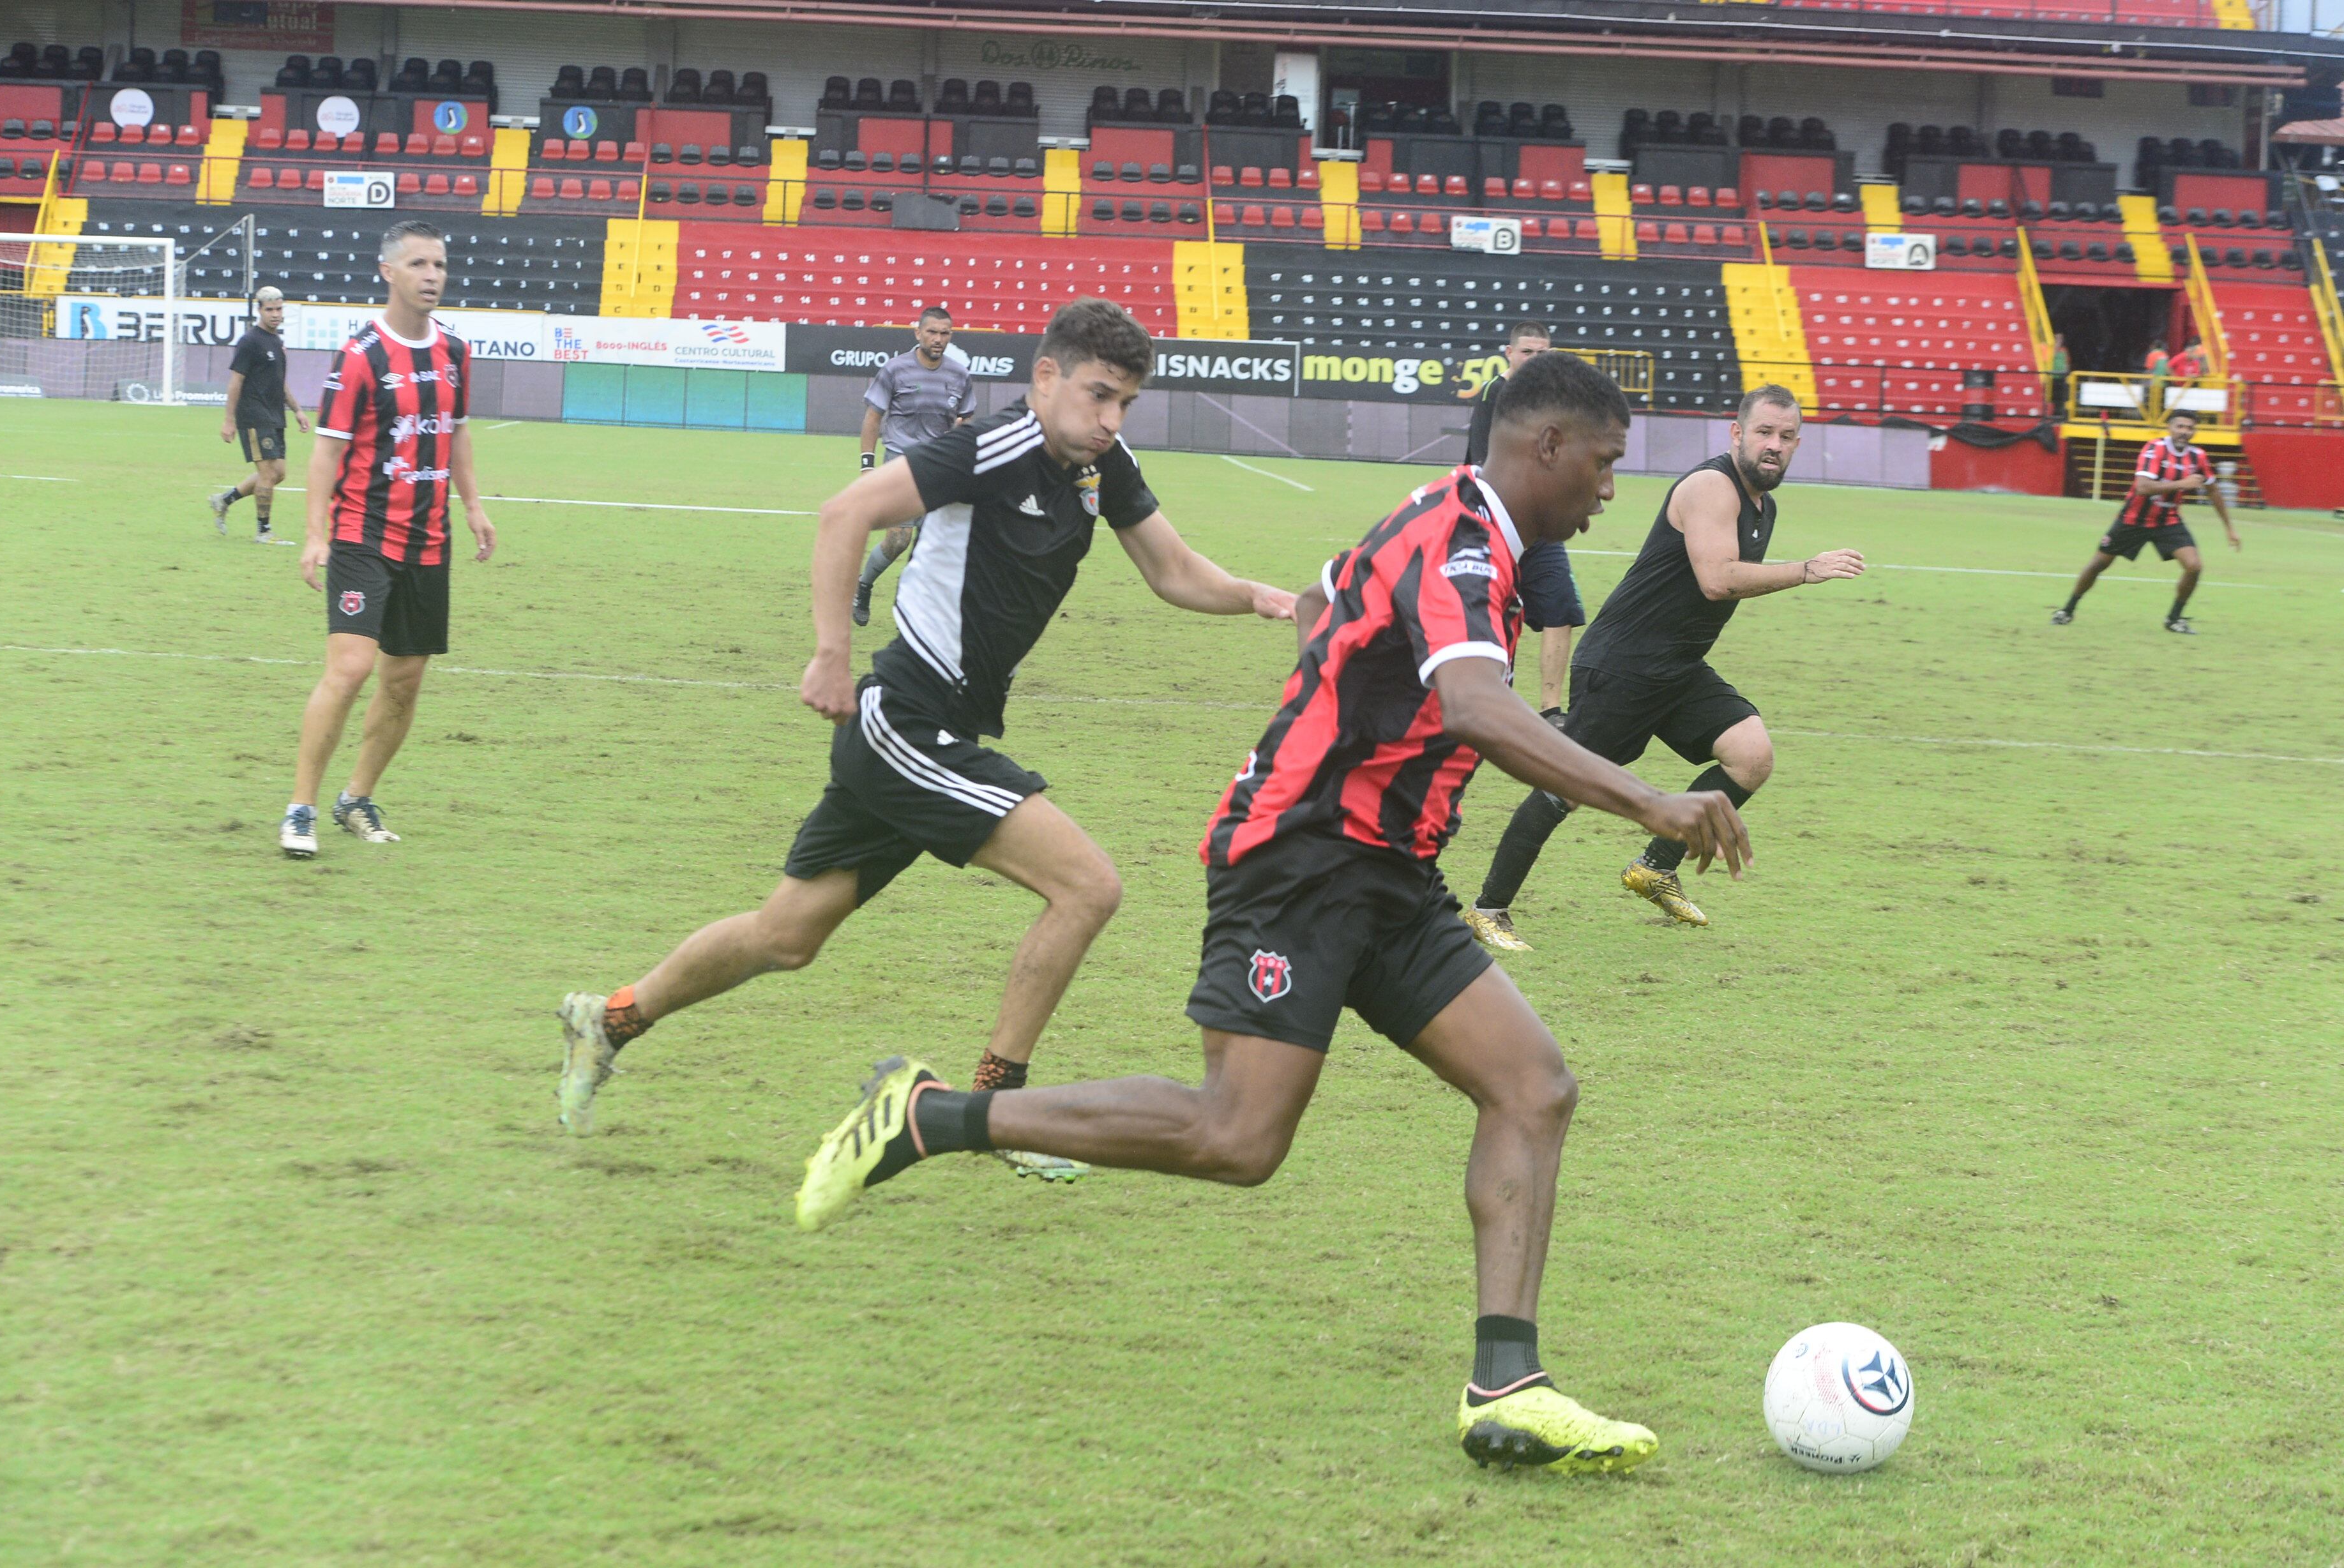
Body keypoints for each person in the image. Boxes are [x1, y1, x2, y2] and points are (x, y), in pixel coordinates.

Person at [789, 351, 1751, 1474]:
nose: (1610, 489)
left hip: (1387, 871)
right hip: (1301, 864)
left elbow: (1326, 604)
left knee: (1534, 1089)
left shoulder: (1452, 523)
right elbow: (1474, 705)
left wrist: (1335, 697)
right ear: (1547, 447)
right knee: (1238, 1139)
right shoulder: (1461, 536)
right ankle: (927, 1118)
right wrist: (1649, 800)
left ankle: (1509, 1388)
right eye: (1603, 462)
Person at [556, 299, 1296, 1178]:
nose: (1112, 419)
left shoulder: (1103, 465)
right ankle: (997, 1109)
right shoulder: (994, 445)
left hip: (929, 732)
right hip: (908, 723)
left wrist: (1257, 596)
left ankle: (608, 1019)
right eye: (1099, 395)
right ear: (1047, 376)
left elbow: (1172, 569)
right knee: (1088, 887)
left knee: (786, 934)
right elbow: (846, 512)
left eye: (1126, 403)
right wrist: (830, 653)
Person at [1463, 385, 1863, 942]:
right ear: (1737, 433)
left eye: (1787, 436)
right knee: (1565, 786)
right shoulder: (1711, 487)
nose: (1775, 445)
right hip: (1623, 665)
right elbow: (1717, 579)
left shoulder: (1762, 506)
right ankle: (1488, 909)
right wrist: (1806, 570)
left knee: (1751, 756)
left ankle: (1655, 867)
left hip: (1677, 667)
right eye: (1764, 432)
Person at [280, 221, 495, 859]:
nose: (433, 275)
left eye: (440, 264)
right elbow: (326, 453)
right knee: (350, 669)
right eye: (419, 264)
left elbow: (457, 430)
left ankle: (357, 798)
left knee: (404, 680)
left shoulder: (454, 351)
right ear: (388, 272)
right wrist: (315, 534)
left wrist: (474, 506)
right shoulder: (361, 356)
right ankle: (300, 808)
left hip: (429, 539)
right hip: (363, 534)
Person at [1465, 320, 1585, 714]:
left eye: (1542, 353)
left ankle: (1552, 712)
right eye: (1527, 352)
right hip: (1496, 528)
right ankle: (1493, 702)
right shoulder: (1494, 395)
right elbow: (1484, 465)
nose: (1534, 360)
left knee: (1561, 611)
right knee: (1494, 614)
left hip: (1541, 526)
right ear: (1509, 353)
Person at [2051, 408, 2239, 635]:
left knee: (2194, 566)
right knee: (2099, 564)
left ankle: (2174, 619)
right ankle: (2067, 610)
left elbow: (2213, 490)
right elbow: (2142, 487)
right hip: (2133, 519)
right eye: (2180, 426)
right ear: (2170, 428)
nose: (2184, 432)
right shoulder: (2154, 449)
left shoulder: (2197, 456)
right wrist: (2182, 484)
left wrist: (2229, 528)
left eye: (2190, 428)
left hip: (2168, 521)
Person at [853, 306, 976, 626]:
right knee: (898, 540)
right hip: (901, 464)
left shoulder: (959, 375)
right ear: (918, 333)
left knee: (934, 545)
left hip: (941, 467)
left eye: (945, 333)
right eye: (932, 332)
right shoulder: (895, 370)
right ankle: (863, 586)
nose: (938, 339)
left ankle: (917, 610)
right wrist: (867, 466)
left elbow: (967, 419)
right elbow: (873, 417)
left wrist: (961, 452)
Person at [209, 286, 310, 542]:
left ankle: (225, 500)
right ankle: (264, 531)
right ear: (260, 311)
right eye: (270, 310)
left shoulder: (276, 342)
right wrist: (229, 420)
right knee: (267, 473)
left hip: (275, 414)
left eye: (279, 309)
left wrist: (297, 410)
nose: (275, 314)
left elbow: (279, 382)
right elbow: (236, 382)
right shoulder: (250, 342)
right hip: (254, 415)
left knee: (279, 474)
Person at [2143, 338, 2170, 420]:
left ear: (2153, 346)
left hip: (2153, 382)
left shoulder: (2152, 354)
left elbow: (2149, 369)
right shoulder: (2165, 355)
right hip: (2163, 382)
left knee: (2149, 402)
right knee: (2161, 403)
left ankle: (2149, 419)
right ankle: (2161, 419)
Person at [2048, 332, 2071, 419]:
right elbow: (2052, 356)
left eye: (2061, 339)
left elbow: (2067, 362)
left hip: (2062, 377)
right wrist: (2057, 344)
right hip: (2052, 377)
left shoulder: (2064, 350)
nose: (2060, 340)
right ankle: (2051, 413)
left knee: (2061, 396)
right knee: (2052, 396)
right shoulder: (2050, 349)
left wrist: (2067, 373)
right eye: (2058, 338)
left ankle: (2060, 413)